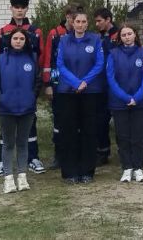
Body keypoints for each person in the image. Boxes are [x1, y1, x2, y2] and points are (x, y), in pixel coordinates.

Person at [0, 0, 45, 177]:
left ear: (27, 9)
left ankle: (33, 158)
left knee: (30, 123)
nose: (19, 11)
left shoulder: (36, 31)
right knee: (6, 126)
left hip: (27, 84)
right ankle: (2, 161)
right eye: (16, 7)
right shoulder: (2, 32)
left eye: (22, 8)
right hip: (8, 86)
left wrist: (35, 86)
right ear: (11, 9)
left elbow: (40, 57)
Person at [55, 11, 105, 184]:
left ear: (87, 23)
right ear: (72, 23)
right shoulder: (64, 40)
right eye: (78, 21)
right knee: (68, 131)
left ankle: (87, 171)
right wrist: (76, 82)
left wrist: (85, 82)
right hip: (68, 91)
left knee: (88, 131)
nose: (80, 24)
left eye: (84, 21)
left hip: (89, 91)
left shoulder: (95, 40)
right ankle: (70, 172)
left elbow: (99, 63)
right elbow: (60, 64)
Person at [106, 24, 143, 183]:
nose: (127, 37)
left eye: (129, 34)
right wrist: (125, 98)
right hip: (120, 102)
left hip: (139, 102)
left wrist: (137, 97)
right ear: (120, 38)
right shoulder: (113, 54)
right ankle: (126, 168)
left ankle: (137, 168)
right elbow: (111, 78)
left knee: (138, 136)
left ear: (135, 35)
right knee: (123, 136)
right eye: (123, 35)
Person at [42, 3, 80, 170]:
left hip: (78, 84)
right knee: (60, 120)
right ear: (67, 17)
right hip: (59, 84)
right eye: (73, 18)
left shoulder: (82, 34)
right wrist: (49, 84)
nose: (76, 22)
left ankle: (77, 153)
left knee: (78, 119)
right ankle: (59, 155)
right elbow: (49, 60)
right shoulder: (55, 34)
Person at [93, 7, 120, 166]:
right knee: (101, 120)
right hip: (101, 84)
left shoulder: (119, 35)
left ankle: (124, 152)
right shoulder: (99, 37)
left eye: (99, 21)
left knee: (120, 120)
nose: (97, 24)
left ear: (108, 19)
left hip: (116, 84)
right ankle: (102, 152)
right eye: (95, 21)